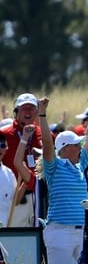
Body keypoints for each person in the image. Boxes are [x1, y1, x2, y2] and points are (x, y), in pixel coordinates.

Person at [26, 96, 88, 264]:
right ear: (65, 149)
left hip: (79, 231)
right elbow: (47, 144)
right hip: (59, 231)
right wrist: (43, 114)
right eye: (76, 145)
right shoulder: (54, 167)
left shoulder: (79, 164)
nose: (80, 147)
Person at [0, 93, 43, 227]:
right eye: (24, 108)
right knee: (14, 238)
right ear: (16, 112)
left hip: (38, 195)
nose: (28, 112)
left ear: (37, 112)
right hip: (15, 198)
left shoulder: (43, 133)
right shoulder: (4, 134)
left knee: (39, 238)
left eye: (31, 108)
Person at [0, 134, 16, 230]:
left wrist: (24, 185)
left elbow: (15, 200)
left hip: (4, 230)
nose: (0, 149)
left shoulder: (9, 174)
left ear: (6, 149)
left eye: (2, 146)